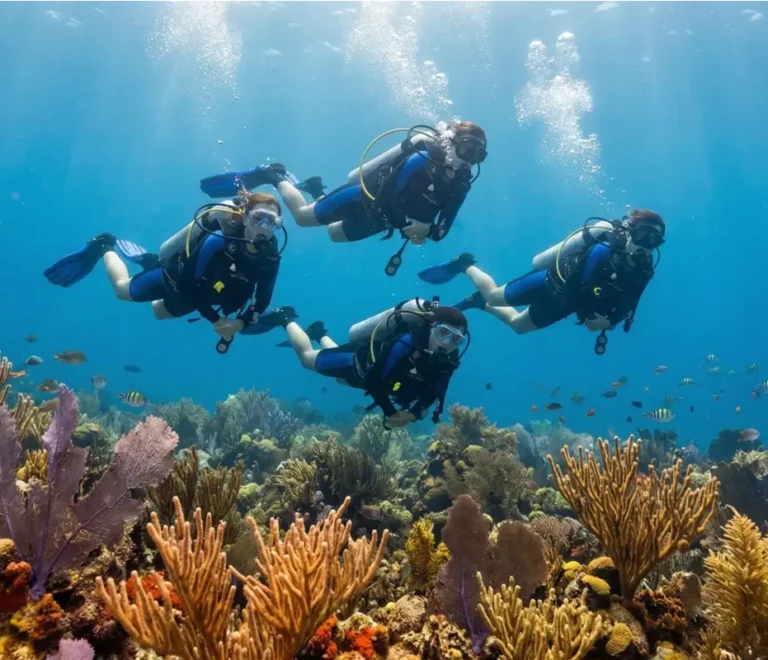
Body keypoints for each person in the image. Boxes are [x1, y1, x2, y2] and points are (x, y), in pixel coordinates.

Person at [199, 122, 487, 271]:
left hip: (381, 222)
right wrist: (409, 226)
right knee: (303, 218)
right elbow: (386, 195)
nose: (469, 159)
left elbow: (443, 228)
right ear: (451, 143)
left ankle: (316, 189)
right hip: (362, 198)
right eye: (466, 148)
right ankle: (275, 175)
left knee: (334, 235)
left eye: (477, 155)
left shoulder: (461, 185)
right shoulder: (423, 158)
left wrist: (427, 230)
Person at [43, 192, 285, 347]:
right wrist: (217, 319)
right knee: (122, 291)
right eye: (258, 218)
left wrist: (239, 324)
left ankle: (148, 262)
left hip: (208, 296)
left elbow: (262, 300)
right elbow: (189, 285)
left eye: (272, 222)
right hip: (176, 281)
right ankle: (105, 245)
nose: (264, 227)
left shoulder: (271, 258)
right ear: (245, 217)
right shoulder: (217, 241)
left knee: (158, 312)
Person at [418, 209, 665, 354]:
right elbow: (559, 273)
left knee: (518, 326)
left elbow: (630, 304)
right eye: (643, 235)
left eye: (654, 241)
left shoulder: (643, 270)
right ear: (630, 231)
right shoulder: (605, 244)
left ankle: (478, 303)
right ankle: (464, 265)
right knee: (494, 295)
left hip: (567, 304)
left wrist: (608, 321)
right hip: (550, 282)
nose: (646, 245)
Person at [246, 301, 469, 427]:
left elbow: (435, 393)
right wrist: (392, 413)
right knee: (306, 359)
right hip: (356, 363)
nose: (446, 344)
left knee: (339, 380)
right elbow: (374, 380)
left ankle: (319, 333)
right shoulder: (408, 342)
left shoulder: (449, 360)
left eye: (455, 339)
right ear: (432, 327)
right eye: (443, 333)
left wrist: (410, 415)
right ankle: (284, 318)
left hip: (373, 380)